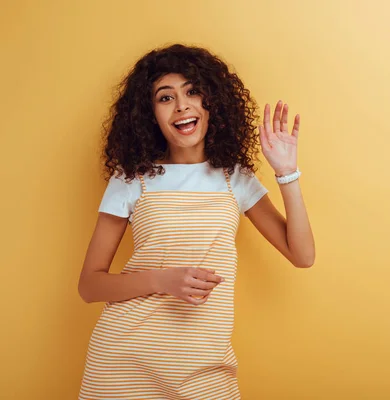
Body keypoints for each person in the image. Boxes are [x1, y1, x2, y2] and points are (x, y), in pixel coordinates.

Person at [77, 43, 315, 399]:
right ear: (150, 114)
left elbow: (303, 255)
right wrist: (161, 280)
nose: (182, 105)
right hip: (124, 365)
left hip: (205, 368)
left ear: (210, 103)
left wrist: (286, 173)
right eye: (165, 97)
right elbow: (89, 286)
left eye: (192, 91)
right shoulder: (131, 179)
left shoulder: (235, 178)